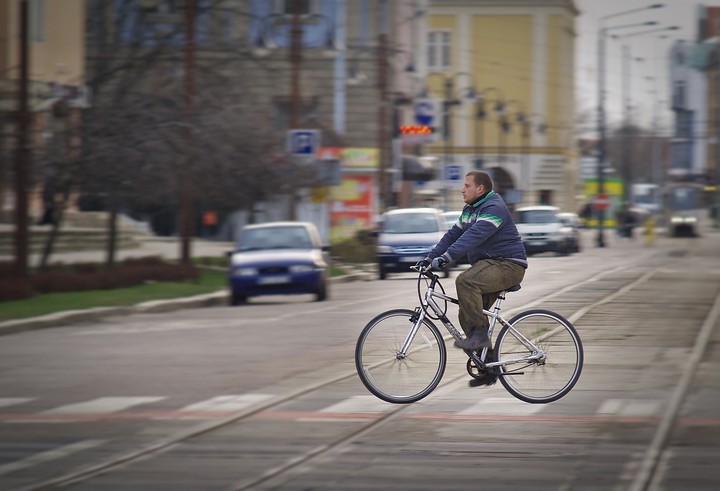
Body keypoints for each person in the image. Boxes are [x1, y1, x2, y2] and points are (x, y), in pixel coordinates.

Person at [416, 171, 528, 384]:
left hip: (508, 264)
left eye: (466, 185)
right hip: (490, 264)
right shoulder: (470, 210)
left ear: (480, 189)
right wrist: (430, 258)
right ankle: (489, 370)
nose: (462, 190)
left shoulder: (493, 208)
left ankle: (480, 336)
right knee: (466, 315)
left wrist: (447, 258)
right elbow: (452, 235)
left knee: (466, 280)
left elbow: (473, 236)